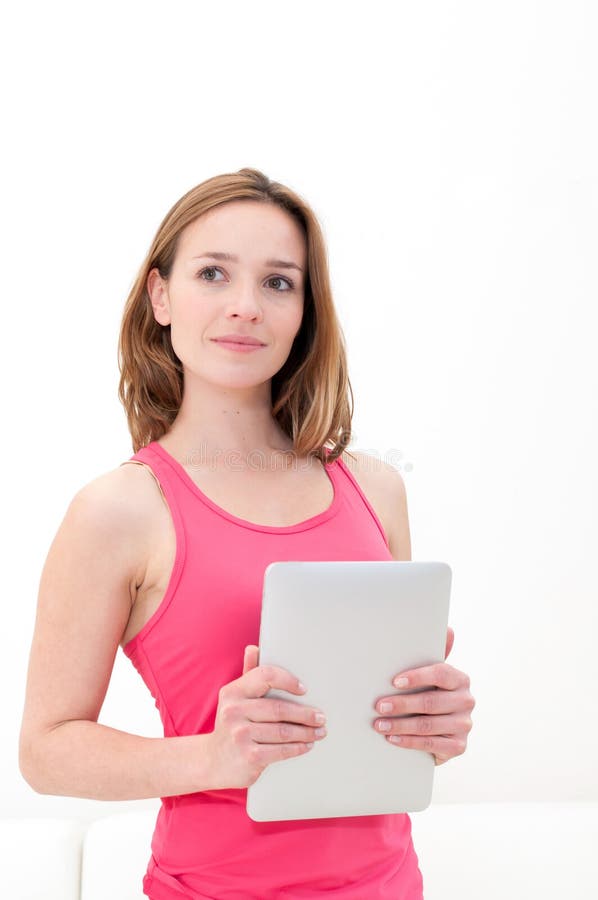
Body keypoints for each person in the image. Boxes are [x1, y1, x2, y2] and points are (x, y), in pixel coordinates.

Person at [19, 167, 475, 899]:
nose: (245, 307)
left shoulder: (375, 488)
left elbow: (370, 728)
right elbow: (45, 752)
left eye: (279, 283)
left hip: (391, 885)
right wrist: (211, 759)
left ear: (304, 313)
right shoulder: (119, 510)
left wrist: (427, 727)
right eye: (212, 273)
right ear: (161, 297)